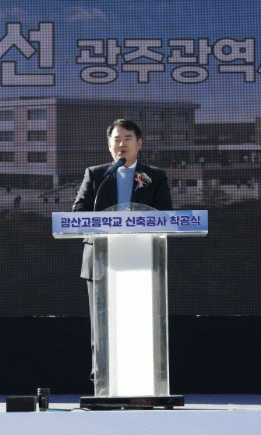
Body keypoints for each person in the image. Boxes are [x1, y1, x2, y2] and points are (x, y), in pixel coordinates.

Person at [72, 119, 172, 385]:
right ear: (109, 145)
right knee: (102, 327)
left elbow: (165, 215)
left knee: (139, 325)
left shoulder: (154, 176)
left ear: (139, 143)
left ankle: (141, 382)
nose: (122, 143)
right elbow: (78, 213)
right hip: (101, 259)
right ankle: (103, 382)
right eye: (116, 139)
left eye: (127, 138)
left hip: (141, 258)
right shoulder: (96, 174)